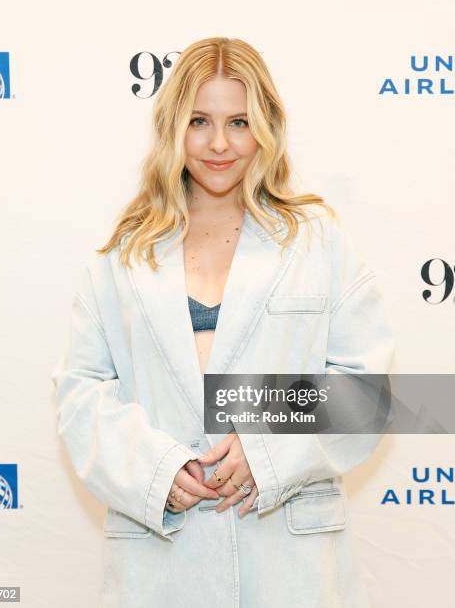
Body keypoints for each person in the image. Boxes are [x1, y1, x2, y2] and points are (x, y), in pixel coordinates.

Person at [51, 36, 395, 608]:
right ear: (171, 128)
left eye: (239, 121)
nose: (218, 144)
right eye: (198, 121)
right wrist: (159, 469)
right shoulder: (120, 256)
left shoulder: (318, 241)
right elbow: (80, 398)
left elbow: (368, 389)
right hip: (160, 565)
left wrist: (266, 445)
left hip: (292, 565)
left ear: (266, 127)